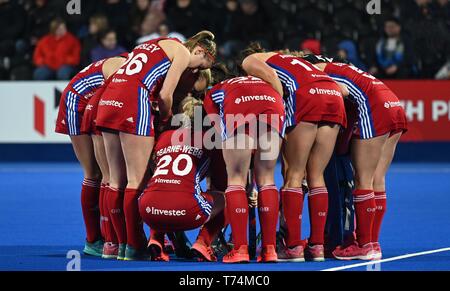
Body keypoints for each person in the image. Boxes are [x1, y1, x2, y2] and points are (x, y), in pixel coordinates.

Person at [95, 31, 216, 261]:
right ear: (200, 51)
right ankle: (133, 245)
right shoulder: (180, 50)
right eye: (203, 64)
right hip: (134, 99)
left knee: (113, 179)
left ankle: (116, 244)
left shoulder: (155, 43)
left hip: (109, 98)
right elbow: (165, 95)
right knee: (135, 180)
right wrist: (166, 120)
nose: (198, 70)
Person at [241, 44, 347, 262]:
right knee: (317, 175)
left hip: (306, 95)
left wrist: (278, 106)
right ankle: (317, 246)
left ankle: (293, 247)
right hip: (333, 94)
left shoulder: (250, 60)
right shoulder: (293, 63)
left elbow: (270, 77)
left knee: (294, 175)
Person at [305, 54, 408, 260]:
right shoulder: (343, 67)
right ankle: (372, 243)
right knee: (377, 179)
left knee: (363, 180)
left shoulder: (316, 71)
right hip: (394, 104)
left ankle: (364, 245)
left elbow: (341, 93)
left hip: (374, 106)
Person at [203, 64, 285, 263]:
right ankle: (269, 249)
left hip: (240, 109)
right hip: (273, 105)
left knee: (236, 180)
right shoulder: (265, 82)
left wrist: (231, 146)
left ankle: (240, 250)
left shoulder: (218, 89)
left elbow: (215, 119)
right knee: (267, 179)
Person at [54, 55, 127, 257]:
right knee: (93, 173)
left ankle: (107, 237)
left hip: (95, 105)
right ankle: (93, 239)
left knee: (107, 173)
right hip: (77, 103)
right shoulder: (122, 66)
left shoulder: (134, 66)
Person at [139, 97, 226, 262]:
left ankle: (156, 238)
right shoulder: (211, 141)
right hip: (185, 211)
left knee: (161, 189)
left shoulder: (164, 136)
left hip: (148, 210)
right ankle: (203, 242)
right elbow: (221, 184)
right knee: (230, 196)